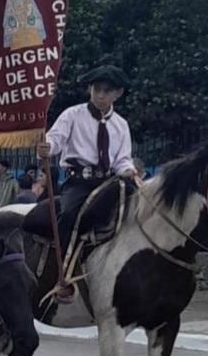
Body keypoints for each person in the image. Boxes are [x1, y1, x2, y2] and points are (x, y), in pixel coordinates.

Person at [35, 64, 137, 298]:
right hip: (79, 182)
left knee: (138, 212)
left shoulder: (121, 125)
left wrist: (129, 170)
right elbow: (55, 139)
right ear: (90, 89)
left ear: (117, 94)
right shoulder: (73, 115)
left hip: (109, 182)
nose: (100, 95)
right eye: (96, 90)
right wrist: (46, 147)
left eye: (106, 91)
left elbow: (122, 159)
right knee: (70, 214)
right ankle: (60, 273)